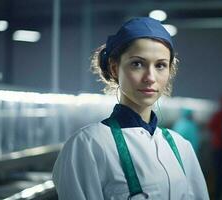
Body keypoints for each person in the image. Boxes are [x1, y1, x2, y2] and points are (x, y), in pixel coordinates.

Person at [52, 17, 209, 200]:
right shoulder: (88, 146)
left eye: (160, 65)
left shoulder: (181, 147)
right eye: (137, 64)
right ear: (113, 68)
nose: (150, 77)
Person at [207, 96, 222, 200]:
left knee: (218, 173)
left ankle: (218, 195)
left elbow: (210, 127)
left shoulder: (218, 115)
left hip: (218, 147)